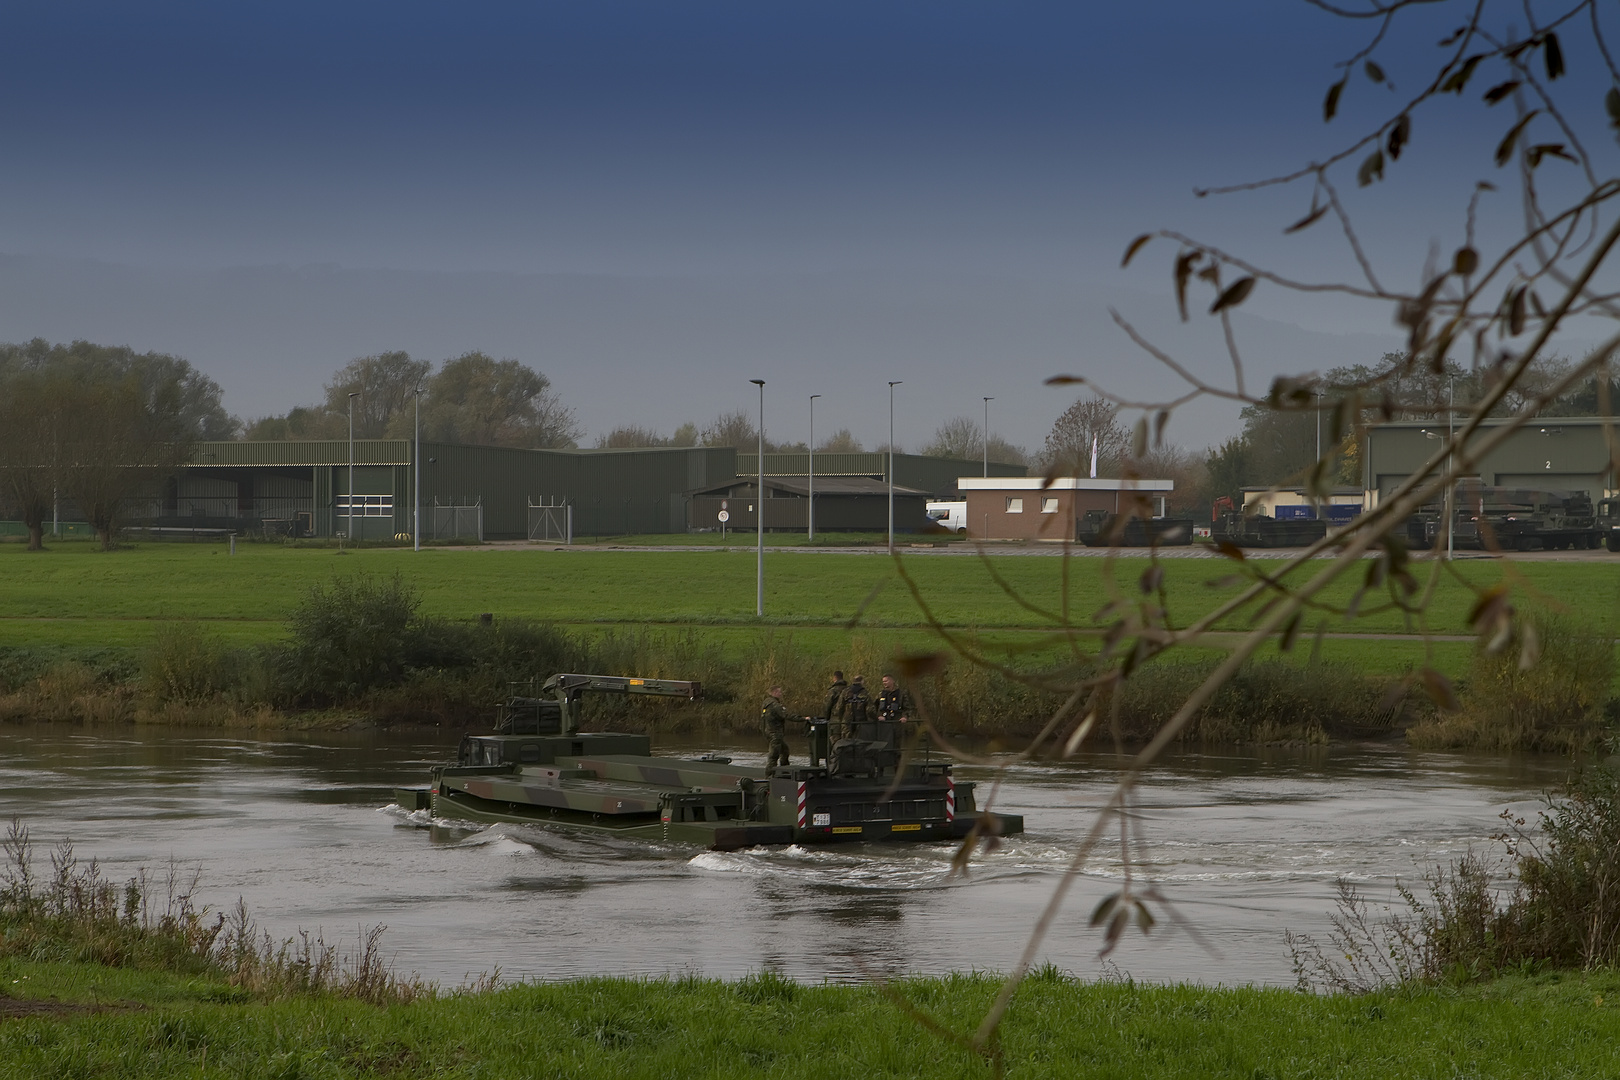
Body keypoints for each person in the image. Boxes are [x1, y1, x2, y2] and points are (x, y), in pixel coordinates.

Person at [760, 684, 793, 771]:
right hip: (775, 733)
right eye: (779, 692)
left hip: (768, 731)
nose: (781, 694)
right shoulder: (775, 704)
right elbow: (785, 715)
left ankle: (784, 770)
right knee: (773, 756)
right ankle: (770, 775)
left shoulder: (766, 702)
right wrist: (803, 718)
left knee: (785, 751)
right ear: (775, 692)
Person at [822, 670, 849, 742]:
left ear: (834, 678)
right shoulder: (848, 690)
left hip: (835, 721)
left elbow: (827, 706)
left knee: (835, 742)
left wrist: (826, 718)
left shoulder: (832, 691)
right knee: (847, 742)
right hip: (847, 721)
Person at [842, 675, 870, 739]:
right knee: (859, 742)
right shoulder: (864, 693)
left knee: (846, 741)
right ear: (862, 681)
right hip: (860, 722)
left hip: (847, 722)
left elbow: (839, 707)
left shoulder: (845, 692)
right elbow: (870, 709)